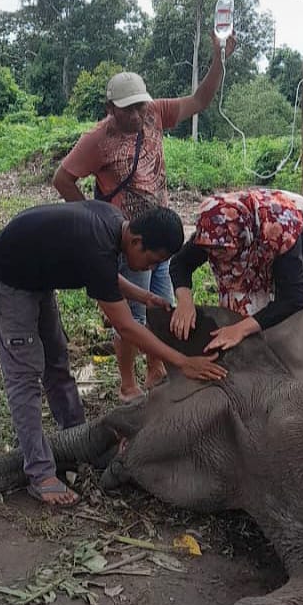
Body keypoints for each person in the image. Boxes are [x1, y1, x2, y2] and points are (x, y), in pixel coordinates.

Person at [0, 200, 227, 506]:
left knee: (57, 363)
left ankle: (75, 439)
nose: (149, 269)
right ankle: (40, 474)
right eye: (151, 261)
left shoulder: (114, 225)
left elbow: (105, 274)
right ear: (136, 241)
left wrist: (143, 295)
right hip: (8, 281)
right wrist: (182, 361)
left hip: (37, 280)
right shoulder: (97, 244)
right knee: (25, 377)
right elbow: (126, 327)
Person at [53, 35, 237, 403]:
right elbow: (63, 179)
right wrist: (97, 218)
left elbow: (200, 100)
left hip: (161, 238)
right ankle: (127, 384)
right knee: (132, 319)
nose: (136, 116)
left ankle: (155, 371)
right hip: (130, 241)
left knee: (163, 305)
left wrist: (219, 60)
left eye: (140, 106)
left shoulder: (156, 113)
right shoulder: (98, 140)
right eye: (127, 110)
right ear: (110, 108)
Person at [169, 188, 303, 380]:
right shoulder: (214, 230)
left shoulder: (275, 230)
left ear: (244, 238)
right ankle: (274, 388)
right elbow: (180, 263)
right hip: (276, 260)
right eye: (210, 251)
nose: (215, 256)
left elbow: (294, 297)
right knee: (270, 339)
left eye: (222, 251)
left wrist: (239, 329)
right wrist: (184, 301)